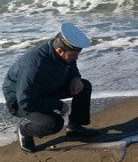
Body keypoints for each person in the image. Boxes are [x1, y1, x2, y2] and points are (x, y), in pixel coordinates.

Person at [3, 23, 100, 153]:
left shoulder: (62, 52)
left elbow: (71, 63)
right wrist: (58, 105)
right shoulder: (35, 66)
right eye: (74, 54)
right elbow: (26, 101)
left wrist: (76, 78)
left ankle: (74, 127)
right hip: (21, 100)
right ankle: (24, 130)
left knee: (84, 86)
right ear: (60, 51)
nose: (76, 58)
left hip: (46, 88)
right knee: (54, 123)